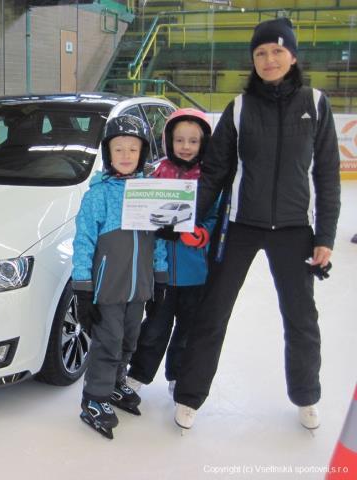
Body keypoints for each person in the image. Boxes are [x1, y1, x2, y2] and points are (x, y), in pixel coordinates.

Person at [172, 17, 341, 432]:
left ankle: (305, 396)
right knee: (213, 312)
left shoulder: (315, 104)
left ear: (293, 55)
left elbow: (327, 176)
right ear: (253, 59)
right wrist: (183, 218)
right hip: (241, 226)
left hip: (294, 229)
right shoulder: (240, 107)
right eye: (261, 53)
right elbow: (214, 172)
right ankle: (190, 396)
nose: (269, 59)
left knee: (301, 318)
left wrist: (325, 237)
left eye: (277, 51)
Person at [72, 114, 168, 439]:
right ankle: (94, 399)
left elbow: (157, 241)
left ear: (143, 153)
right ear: (108, 153)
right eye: (118, 149)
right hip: (108, 288)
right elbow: (83, 242)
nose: (126, 155)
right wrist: (83, 289)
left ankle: (115, 383)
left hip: (139, 286)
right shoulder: (97, 195)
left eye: (133, 149)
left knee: (129, 340)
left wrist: (161, 277)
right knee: (107, 343)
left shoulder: (150, 193)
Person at [125, 108, 217, 398]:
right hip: (160, 272)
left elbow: (216, 217)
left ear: (203, 143)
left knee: (187, 331)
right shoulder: (155, 173)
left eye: (193, 141)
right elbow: (139, 212)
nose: (186, 147)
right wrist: (153, 230)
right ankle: (138, 374)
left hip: (196, 273)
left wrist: (200, 234)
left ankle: (179, 375)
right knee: (154, 327)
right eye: (179, 140)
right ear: (168, 141)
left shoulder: (210, 178)